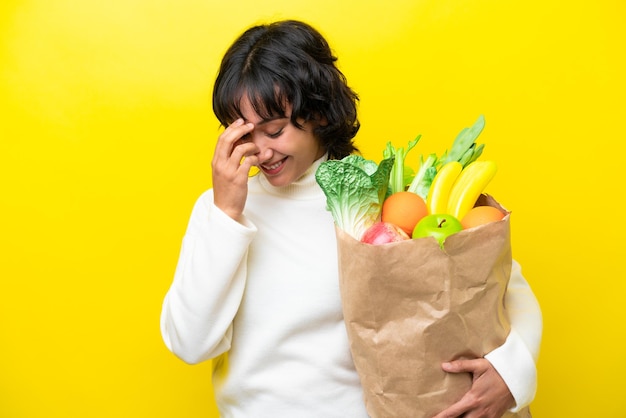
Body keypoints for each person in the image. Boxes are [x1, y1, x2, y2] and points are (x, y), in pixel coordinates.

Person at [160, 19, 542, 418]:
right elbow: (190, 343)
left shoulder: (384, 197)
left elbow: (500, 285)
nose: (261, 152)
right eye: (244, 134)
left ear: (320, 114)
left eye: (274, 131)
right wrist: (226, 214)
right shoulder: (221, 211)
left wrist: (512, 373)